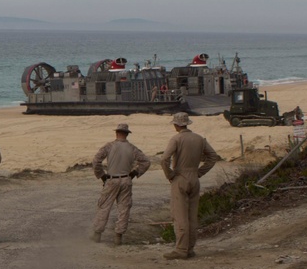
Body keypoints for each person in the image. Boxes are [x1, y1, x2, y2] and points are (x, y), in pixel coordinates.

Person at [160, 111, 219, 260]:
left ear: (176, 125)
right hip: (194, 177)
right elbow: (213, 157)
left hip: (180, 176)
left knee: (180, 215)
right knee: (192, 216)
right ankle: (190, 248)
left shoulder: (176, 139)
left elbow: (164, 159)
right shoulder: (199, 139)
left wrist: (170, 175)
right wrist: (200, 172)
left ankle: (181, 249)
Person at [91, 122, 151, 245]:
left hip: (112, 179)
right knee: (124, 208)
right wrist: (135, 172)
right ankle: (118, 236)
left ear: (117, 133)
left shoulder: (109, 146)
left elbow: (96, 161)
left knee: (104, 206)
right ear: (127, 134)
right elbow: (146, 162)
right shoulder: (133, 148)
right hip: (126, 179)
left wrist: (101, 175)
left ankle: (97, 234)